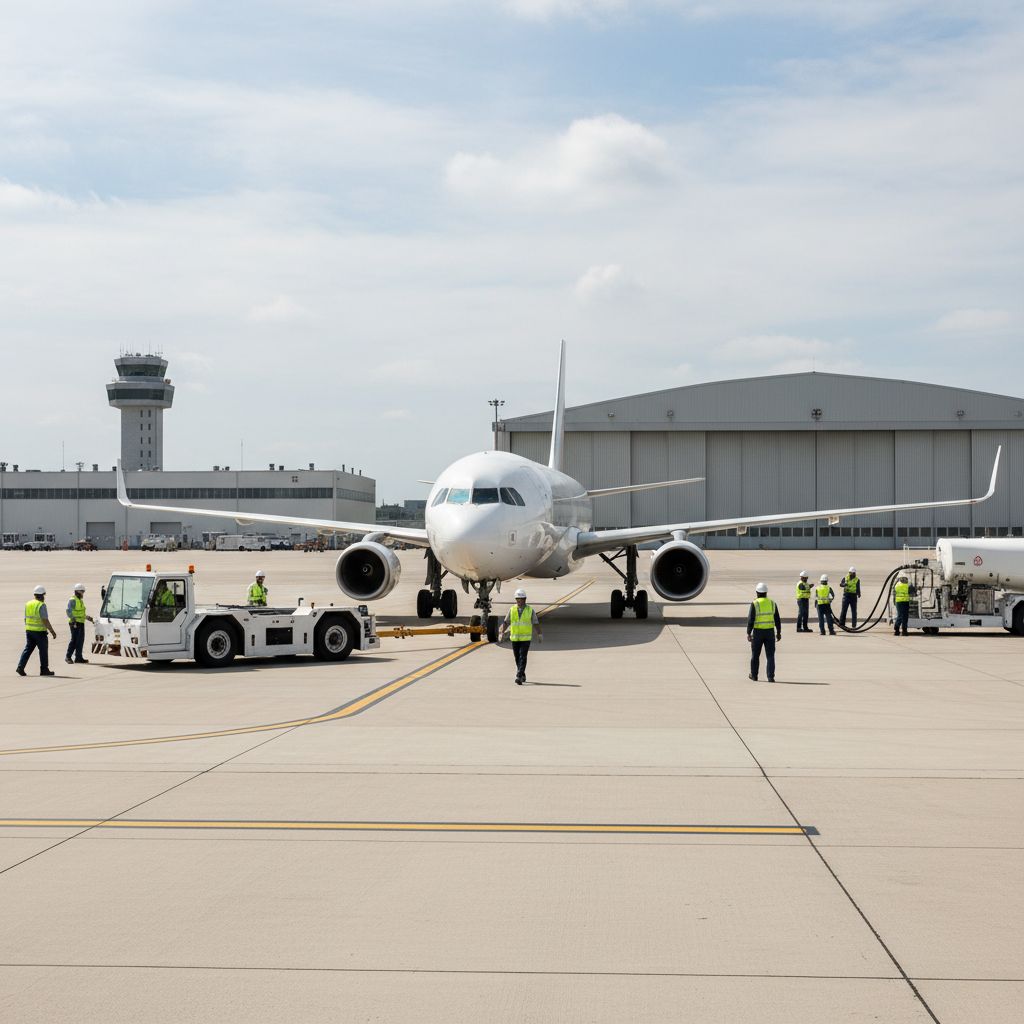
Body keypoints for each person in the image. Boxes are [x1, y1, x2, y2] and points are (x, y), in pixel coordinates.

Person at [498, 587, 542, 684]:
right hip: (515, 638)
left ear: (524, 599)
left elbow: (535, 622)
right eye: (517, 599)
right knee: (517, 657)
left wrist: (539, 634)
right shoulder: (512, 609)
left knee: (523, 656)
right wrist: (501, 632)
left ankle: (518, 676)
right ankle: (522, 674)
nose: (519, 601)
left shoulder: (530, 610)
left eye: (521, 599)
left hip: (525, 638)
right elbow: (506, 622)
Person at [16, 585, 57, 677]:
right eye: (44, 595)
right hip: (40, 633)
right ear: (42, 595)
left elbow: (25, 618)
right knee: (43, 651)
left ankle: (20, 667)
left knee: (28, 650)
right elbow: (45, 620)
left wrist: (28, 628)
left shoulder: (28, 604)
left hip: (29, 631)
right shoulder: (41, 605)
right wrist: (52, 631)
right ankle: (44, 670)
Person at [747, 582, 782, 682]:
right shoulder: (772, 603)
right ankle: (770, 677)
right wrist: (778, 632)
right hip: (770, 633)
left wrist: (748, 633)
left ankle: (754, 676)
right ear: (766, 593)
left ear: (757, 592)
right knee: (770, 656)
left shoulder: (755, 603)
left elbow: (751, 619)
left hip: (758, 633)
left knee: (755, 655)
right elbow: (777, 619)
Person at [65, 583, 94, 665]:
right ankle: (68, 657)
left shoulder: (80, 601)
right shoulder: (73, 600)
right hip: (75, 623)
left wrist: (88, 617)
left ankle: (78, 657)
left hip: (81, 623)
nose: (83, 593)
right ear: (77, 591)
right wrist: (73, 620)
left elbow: (80, 613)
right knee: (74, 640)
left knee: (80, 641)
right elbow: (68, 611)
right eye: (82, 591)